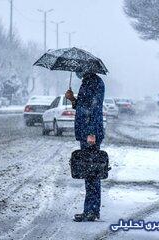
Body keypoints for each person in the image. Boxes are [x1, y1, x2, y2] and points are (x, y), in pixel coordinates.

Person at [65, 70, 105, 222]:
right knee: (89, 172)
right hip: (87, 132)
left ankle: (92, 210)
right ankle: (90, 209)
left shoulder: (93, 82)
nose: (77, 71)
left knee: (92, 172)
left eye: (79, 69)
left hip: (90, 134)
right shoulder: (88, 82)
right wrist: (73, 100)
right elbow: (83, 106)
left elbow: (93, 108)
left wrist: (91, 133)